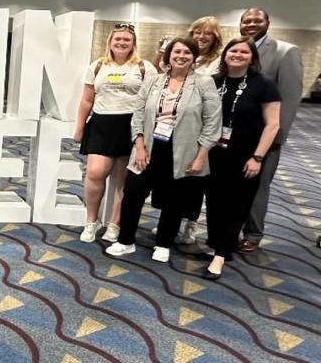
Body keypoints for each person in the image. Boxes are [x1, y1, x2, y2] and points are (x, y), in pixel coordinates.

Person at [106, 38, 221, 263]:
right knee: (133, 193)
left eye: (187, 52)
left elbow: (213, 121)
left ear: (193, 56)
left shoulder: (203, 83)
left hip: (183, 149)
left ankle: (163, 243)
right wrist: (139, 146)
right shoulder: (153, 80)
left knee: (174, 199)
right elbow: (138, 114)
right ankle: (125, 241)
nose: (181, 56)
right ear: (168, 55)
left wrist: (201, 155)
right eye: (176, 51)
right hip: (148, 146)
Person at [202, 37, 280, 279]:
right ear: (225, 55)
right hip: (214, 153)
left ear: (252, 58)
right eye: (233, 50)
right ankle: (218, 245)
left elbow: (273, 124)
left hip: (246, 155)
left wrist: (257, 157)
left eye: (244, 52)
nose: (237, 55)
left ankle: (220, 256)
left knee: (237, 204)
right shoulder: (214, 82)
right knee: (214, 202)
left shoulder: (264, 84)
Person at [75, 23, 157, 243]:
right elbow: (86, 99)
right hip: (102, 124)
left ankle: (114, 223)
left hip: (131, 125)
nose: (121, 42)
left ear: (133, 44)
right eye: (117, 39)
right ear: (110, 42)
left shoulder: (144, 67)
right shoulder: (98, 66)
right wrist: (79, 128)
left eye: (126, 40)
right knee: (94, 173)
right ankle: (92, 221)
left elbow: (152, 101)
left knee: (123, 181)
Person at [151, 16, 225, 244]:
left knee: (193, 182)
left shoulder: (217, 62)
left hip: (197, 128)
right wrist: (161, 49)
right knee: (170, 179)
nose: (202, 37)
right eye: (198, 32)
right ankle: (168, 222)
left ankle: (190, 224)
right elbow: (157, 72)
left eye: (208, 33)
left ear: (215, 38)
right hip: (168, 129)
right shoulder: (180, 52)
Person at [236, 8, 303, 253]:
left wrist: (276, 138)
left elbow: (291, 98)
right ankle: (232, 228)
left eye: (257, 20)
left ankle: (253, 233)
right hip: (236, 134)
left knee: (258, 185)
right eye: (247, 20)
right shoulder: (238, 49)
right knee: (235, 185)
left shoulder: (286, 52)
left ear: (268, 23)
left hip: (265, 137)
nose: (251, 24)